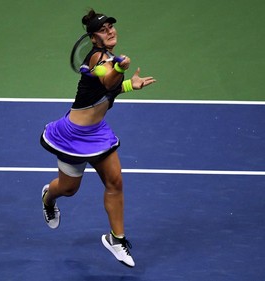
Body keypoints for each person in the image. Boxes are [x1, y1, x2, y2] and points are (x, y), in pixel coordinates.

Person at [40, 9, 156, 267]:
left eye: (112, 27)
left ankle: (117, 239)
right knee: (68, 189)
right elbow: (106, 78)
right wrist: (117, 67)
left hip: (97, 134)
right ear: (93, 38)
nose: (111, 31)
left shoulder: (110, 59)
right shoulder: (97, 59)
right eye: (104, 30)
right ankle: (48, 197)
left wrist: (129, 85)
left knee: (115, 182)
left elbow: (109, 91)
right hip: (72, 136)